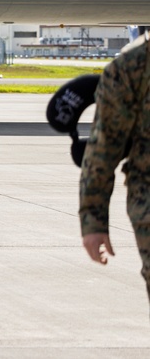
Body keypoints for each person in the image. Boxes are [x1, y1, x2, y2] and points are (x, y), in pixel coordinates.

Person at [79, 32, 150, 309]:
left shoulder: (133, 65)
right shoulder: (133, 67)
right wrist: (93, 221)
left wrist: (93, 222)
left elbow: (102, 150)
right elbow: (104, 149)